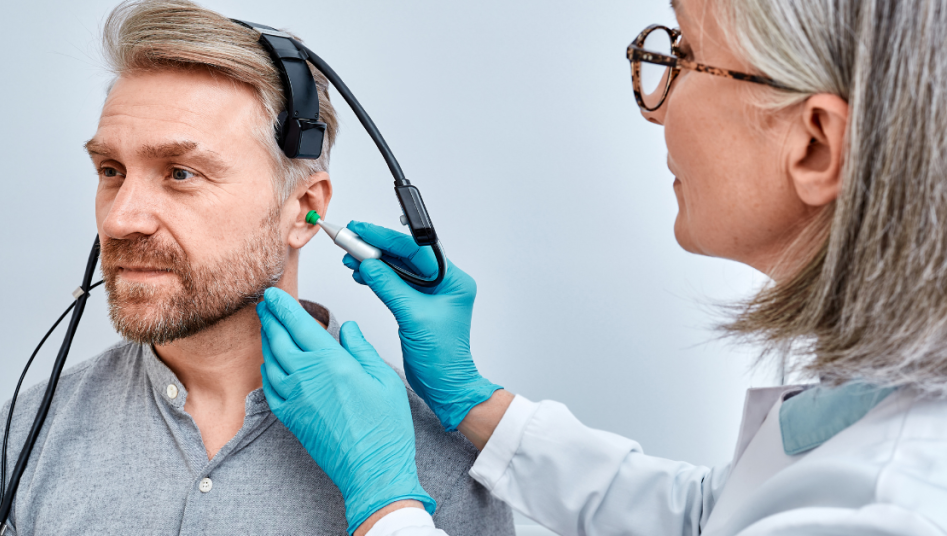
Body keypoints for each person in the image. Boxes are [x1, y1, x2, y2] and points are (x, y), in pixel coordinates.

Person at [254, 0, 947, 535]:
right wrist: (476, 403)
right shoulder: (877, 408)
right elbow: (709, 517)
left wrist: (386, 499)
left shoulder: (898, 503)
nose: (657, 108)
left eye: (688, 56)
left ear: (816, 147)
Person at [0, 1, 516, 534]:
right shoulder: (31, 432)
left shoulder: (436, 456)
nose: (120, 219)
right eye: (111, 170)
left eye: (180, 173)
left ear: (303, 210)